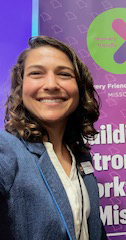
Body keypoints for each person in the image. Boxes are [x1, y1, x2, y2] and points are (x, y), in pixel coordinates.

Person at [0, 36, 106, 239]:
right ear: (21, 88)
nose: (51, 84)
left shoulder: (81, 156)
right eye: (36, 73)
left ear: (80, 89)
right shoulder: (6, 150)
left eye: (64, 74)